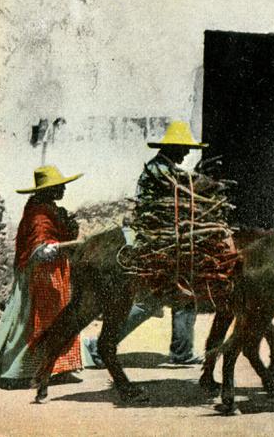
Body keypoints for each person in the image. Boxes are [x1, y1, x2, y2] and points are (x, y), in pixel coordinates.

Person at [85, 121, 207, 367]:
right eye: (183, 149)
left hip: (161, 238)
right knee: (152, 300)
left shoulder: (163, 168)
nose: (185, 154)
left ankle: (181, 352)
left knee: (178, 296)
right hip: (158, 241)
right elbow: (177, 199)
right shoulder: (162, 171)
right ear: (172, 147)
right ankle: (101, 347)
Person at [0, 165, 84, 388]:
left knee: (58, 319)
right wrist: (56, 247)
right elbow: (39, 248)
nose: (64, 189)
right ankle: (16, 372)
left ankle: (59, 368)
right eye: (59, 186)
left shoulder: (48, 209)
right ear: (48, 190)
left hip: (53, 274)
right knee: (31, 323)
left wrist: (68, 227)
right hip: (39, 276)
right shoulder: (39, 215)